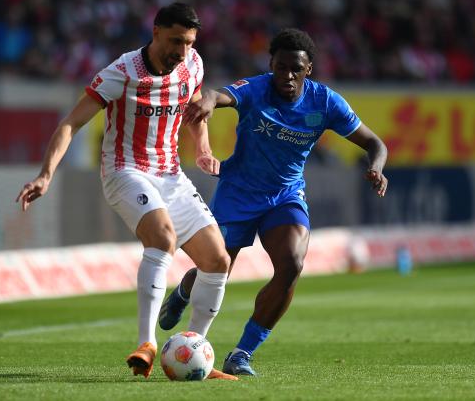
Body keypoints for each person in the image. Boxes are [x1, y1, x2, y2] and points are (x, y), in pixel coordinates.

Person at [16, 3, 237, 381]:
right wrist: (45, 174)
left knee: (218, 259)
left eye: (188, 43)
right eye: (174, 41)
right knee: (162, 237)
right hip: (125, 171)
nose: (181, 52)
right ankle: (147, 344)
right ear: (155, 33)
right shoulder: (121, 73)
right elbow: (71, 123)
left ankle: (195, 350)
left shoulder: (193, 64)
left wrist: (202, 149)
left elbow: (195, 111)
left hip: (171, 175)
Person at [159, 28, 388, 376]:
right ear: (272, 65)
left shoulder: (325, 102)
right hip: (238, 192)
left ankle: (242, 353)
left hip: (284, 196)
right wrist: (207, 101)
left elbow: (375, 143)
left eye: (295, 69)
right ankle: (184, 291)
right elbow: (221, 95)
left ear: (308, 68)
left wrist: (376, 167)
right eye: (281, 68)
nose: (287, 76)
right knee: (217, 268)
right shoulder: (257, 88)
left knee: (292, 264)